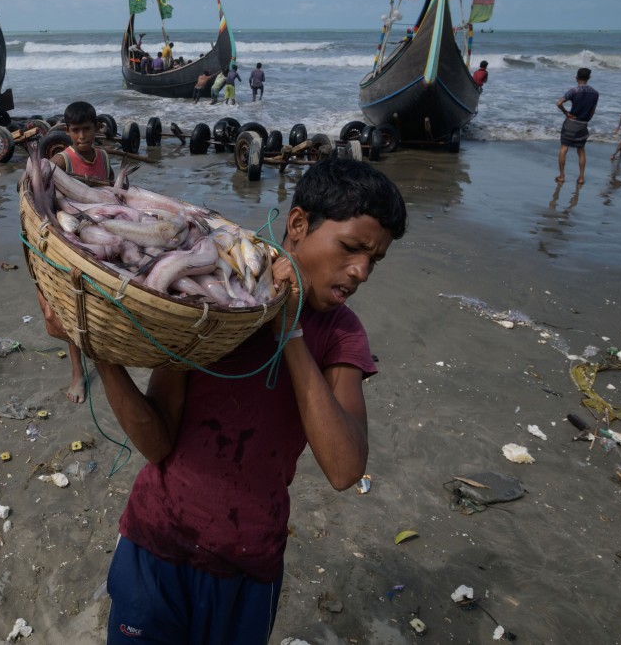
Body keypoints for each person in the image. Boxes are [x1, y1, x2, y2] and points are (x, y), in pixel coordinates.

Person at [37, 158, 407, 643]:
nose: (360, 271)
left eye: (373, 260)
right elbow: (157, 444)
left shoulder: (340, 334)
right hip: (156, 544)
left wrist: (289, 331)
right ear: (297, 224)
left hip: (248, 565)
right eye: (351, 248)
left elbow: (344, 468)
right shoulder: (213, 301)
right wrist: (99, 353)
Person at [50, 101, 115, 404]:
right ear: (67, 132)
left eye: (86, 129)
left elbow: (114, 194)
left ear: (96, 128)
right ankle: (77, 373)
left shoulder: (103, 157)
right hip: (72, 239)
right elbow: (44, 199)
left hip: (101, 232)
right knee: (72, 307)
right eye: (75, 131)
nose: (81, 137)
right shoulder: (63, 162)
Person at [556, 67, 599, 185]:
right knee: (581, 151)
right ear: (589, 78)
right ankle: (581, 177)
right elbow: (592, 111)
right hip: (583, 124)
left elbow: (559, 103)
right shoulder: (595, 93)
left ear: (576, 78)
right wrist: (586, 120)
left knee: (564, 149)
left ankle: (562, 176)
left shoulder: (573, 91)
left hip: (571, 123)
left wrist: (566, 113)